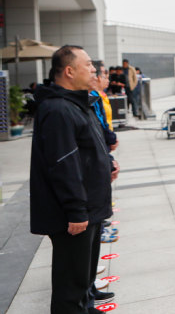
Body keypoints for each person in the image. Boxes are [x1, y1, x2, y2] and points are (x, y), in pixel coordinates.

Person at [30, 45, 116, 313]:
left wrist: (107, 164)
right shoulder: (58, 109)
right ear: (69, 71)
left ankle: (86, 307)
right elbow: (63, 164)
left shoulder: (78, 103)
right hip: (74, 212)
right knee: (70, 285)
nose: (94, 69)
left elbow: (87, 147)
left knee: (83, 277)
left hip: (90, 205)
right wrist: (76, 210)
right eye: (88, 64)